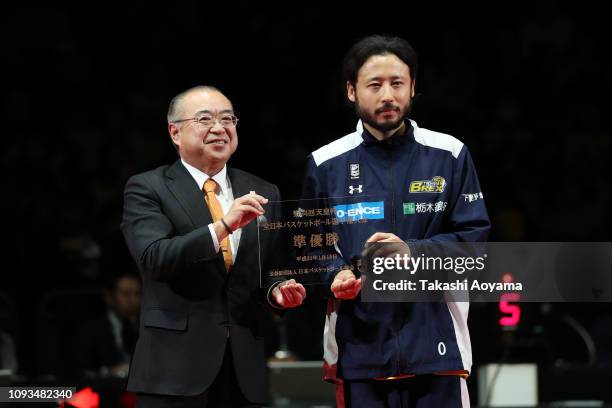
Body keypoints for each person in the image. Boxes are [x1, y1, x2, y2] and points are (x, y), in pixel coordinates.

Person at [301, 35, 491, 407]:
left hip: (438, 345)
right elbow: (311, 245)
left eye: (397, 83)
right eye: (375, 85)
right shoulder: (324, 163)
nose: (388, 95)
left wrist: (412, 251)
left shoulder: (450, 153)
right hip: (360, 344)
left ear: (413, 88)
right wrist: (333, 275)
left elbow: (474, 240)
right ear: (351, 91)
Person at [121, 85, 306, 407]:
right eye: (204, 120)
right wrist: (223, 226)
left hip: (244, 367)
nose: (220, 128)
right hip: (173, 370)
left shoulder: (264, 190)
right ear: (174, 132)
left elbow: (272, 268)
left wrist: (277, 291)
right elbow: (155, 258)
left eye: (228, 119)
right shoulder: (147, 187)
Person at [75, 271, 141, 378]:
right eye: (126, 294)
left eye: (137, 294)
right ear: (109, 297)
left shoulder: (144, 328)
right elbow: (83, 368)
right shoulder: (90, 329)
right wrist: (108, 371)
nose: (133, 300)